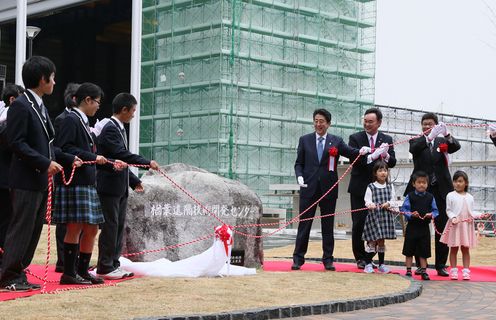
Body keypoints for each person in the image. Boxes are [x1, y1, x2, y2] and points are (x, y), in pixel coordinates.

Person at [0, 56, 80, 291]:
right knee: (21, 228)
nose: (55, 82)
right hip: (25, 178)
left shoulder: (39, 106)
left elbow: (46, 143)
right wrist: (45, 163)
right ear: (42, 79)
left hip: (40, 180)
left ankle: (19, 271)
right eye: (52, 77)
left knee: (34, 228)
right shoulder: (21, 105)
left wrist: (61, 159)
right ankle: (8, 276)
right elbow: (17, 143)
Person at [53, 83, 116, 285]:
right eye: (97, 102)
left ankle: (82, 270)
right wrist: (92, 156)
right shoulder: (71, 120)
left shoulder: (82, 121)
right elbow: (62, 148)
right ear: (87, 100)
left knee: (91, 228)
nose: (98, 106)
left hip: (87, 181)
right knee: (75, 228)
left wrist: (110, 163)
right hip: (76, 182)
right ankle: (69, 273)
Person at [292, 108, 367, 271]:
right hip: (308, 188)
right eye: (316, 121)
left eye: (322, 121)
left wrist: (362, 151)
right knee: (304, 224)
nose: (318, 124)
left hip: (329, 189)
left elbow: (351, 153)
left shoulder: (336, 141)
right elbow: (299, 163)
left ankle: (328, 259)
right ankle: (298, 258)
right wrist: (299, 176)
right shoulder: (304, 140)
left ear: (328, 124)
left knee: (327, 225)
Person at [96, 93, 160, 279]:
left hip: (120, 187)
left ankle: (114, 263)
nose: (133, 114)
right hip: (109, 187)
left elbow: (121, 160)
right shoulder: (110, 129)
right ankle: (105, 266)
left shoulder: (119, 128)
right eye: (132, 110)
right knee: (110, 226)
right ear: (124, 110)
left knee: (118, 226)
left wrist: (134, 181)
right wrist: (147, 162)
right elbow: (121, 155)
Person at [403, 112, 461, 277]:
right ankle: (422, 265)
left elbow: (456, 146)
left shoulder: (442, 140)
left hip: (441, 190)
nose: (427, 127)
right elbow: (414, 149)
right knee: (419, 228)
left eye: (430, 124)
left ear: (436, 125)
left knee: (442, 228)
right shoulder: (416, 140)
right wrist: (428, 138)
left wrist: (447, 133)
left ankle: (441, 264)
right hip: (421, 191)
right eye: (424, 124)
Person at [348, 107, 396, 269]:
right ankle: (360, 258)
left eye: (371, 121)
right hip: (359, 188)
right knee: (359, 223)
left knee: (378, 224)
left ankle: (370, 257)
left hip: (380, 189)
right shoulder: (355, 138)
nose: (367, 124)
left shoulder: (387, 139)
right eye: (365, 121)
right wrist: (374, 155)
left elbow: (393, 162)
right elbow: (356, 161)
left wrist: (386, 154)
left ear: (379, 123)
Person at [440, 171, 490, 280]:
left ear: (466, 183)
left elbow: (471, 212)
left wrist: (481, 215)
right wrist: (453, 217)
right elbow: (448, 210)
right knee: (453, 248)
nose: (457, 184)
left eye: (460, 181)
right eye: (455, 181)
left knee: (465, 249)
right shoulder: (450, 195)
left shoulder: (470, 197)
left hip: (466, 226)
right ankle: (453, 271)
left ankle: (466, 271)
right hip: (455, 225)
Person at [53, 82, 81, 273]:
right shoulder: (63, 119)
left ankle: (72, 259)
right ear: (74, 99)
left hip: (78, 175)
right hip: (65, 175)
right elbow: (59, 149)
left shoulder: (79, 119)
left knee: (75, 221)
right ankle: (63, 261)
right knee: (65, 221)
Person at [0, 84, 25, 264]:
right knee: (6, 221)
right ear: (12, 100)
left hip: (6, 178)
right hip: (5, 179)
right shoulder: (8, 120)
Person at [401, 171, 438, 281]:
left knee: (423, 251)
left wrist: (430, 215)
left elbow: (436, 211)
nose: (422, 184)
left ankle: (424, 271)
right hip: (412, 227)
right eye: (419, 182)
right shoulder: (410, 196)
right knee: (409, 250)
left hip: (424, 228)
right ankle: (408, 270)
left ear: (427, 184)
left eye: (424, 182)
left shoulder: (430, 197)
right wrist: (411, 214)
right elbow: (404, 209)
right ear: (414, 184)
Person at [361, 161, 396, 274]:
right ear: (375, 173)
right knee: (372, 242)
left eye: (385, 170)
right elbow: (367, 200)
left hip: (385, 218)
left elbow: (393, 200)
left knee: (381, 241)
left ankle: (381, 264)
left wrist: (389, 204)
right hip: (374, 217)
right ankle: (367, 264)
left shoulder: (390, 186)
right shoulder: (371, 186)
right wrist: (370, 204)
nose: (383, 173)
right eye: (380, 170)